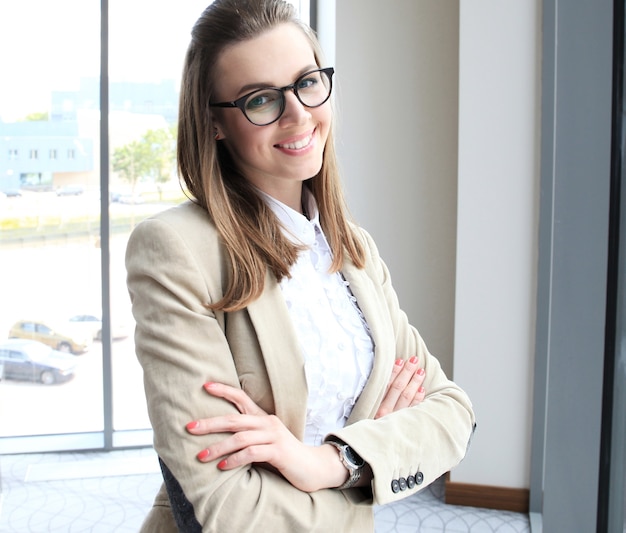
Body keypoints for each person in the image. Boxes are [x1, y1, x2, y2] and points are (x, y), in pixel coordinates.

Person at [125, 0, 475, 531]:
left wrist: (334, 462)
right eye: (259, 99)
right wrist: (379, 454)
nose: (298, 114)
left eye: (306, 82)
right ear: (215, 123)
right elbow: (224, 506)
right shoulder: (176, 251)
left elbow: (452, 413)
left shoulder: (352, 247)